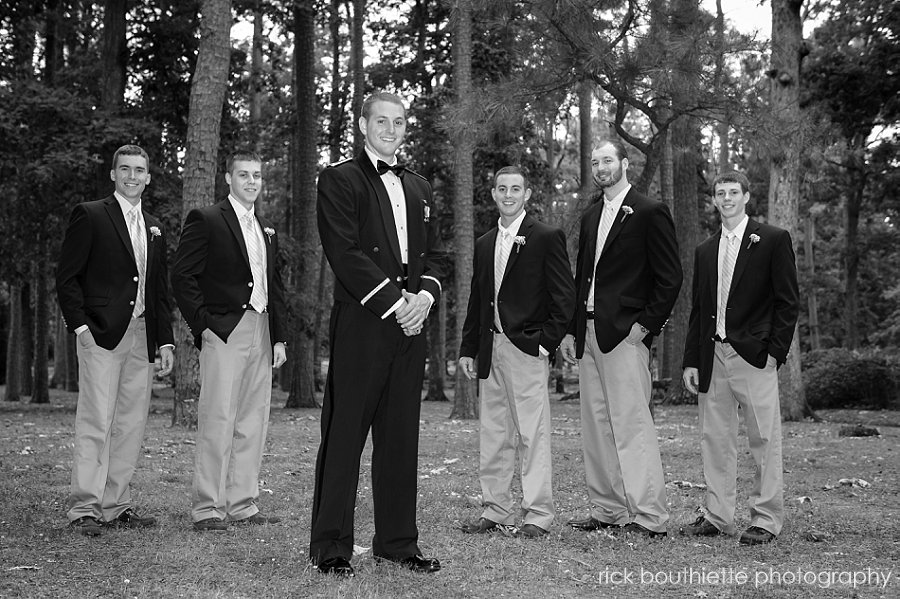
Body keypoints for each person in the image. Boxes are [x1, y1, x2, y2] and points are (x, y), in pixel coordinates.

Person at [311, 91, 445, 577]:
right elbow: (344, 254)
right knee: (345, 436)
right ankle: (330, 548)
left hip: (411, 324)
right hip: (365, 323)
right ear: (364, 124)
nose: (391, 129)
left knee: (400, 438)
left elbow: (431, 257)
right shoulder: (339, 179)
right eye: (382, 121)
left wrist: (423, 300)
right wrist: (396, 304)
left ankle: (396, 542)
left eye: (400, 122)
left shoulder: (421, 186)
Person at [561, 139, 682, 538]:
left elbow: (670, 278)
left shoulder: (650, 212)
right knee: (596, 426)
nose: (601, 167)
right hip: (589, 332)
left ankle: (650, 516)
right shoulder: (592, 216)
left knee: (631, 424)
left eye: (607, 160)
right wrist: (570, 328)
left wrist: (644, 328)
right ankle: (607, 509)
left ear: (625, 164)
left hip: (625, 335)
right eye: (595, 162)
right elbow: (583, 279)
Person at [56, 144, 175, 537]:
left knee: (130, 424)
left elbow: (159, 288)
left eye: (139, 170)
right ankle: (84, 508)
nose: (132, 176)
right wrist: (81, 329)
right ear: (113, 174)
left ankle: (115, 504)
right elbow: (67, 278)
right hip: (101, 336)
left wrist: (165, 342)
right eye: (125, 169)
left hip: (142, 337)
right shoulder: (90, 215)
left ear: (148, 177)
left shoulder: (154, 226)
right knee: (96, 421)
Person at [171, 151, 288, 532]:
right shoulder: (206, 219)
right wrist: (203, 325)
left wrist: (280, 338)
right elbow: (182, 276)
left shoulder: (266, 230)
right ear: (228, 178)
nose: (252, 182)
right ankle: (208, 507)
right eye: (244, 175)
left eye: (257, 175)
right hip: (224, 330)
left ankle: (243, 503)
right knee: (218, 418)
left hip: (263, 329)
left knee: (253, 420)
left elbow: (277, 288)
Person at [680, 171, 799, 545]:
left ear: (746, 196)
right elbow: (699, 309)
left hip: (754, 356)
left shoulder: (773, 240)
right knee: (714, 439)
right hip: (712, 355)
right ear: (714, 200)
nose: (727, 198)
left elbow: (787, 302)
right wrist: (691, 360)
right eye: (720, 193)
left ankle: (765, 518)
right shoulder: (705, 249)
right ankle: (718, 516)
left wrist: (774, 353)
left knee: (764, 438)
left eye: (734, 192)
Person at [458, 166, 574, 539]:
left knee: (531, 434)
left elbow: (564, 296)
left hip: (527, 349)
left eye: (515, 189)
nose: (508, 194)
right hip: (492, 349)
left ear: (527, 194)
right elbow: (478, 298)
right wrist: (469, 347)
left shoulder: (546, 236)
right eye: (501, 188)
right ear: (493, 193)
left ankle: (537, 514)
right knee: (494, 434)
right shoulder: (483, 242)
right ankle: (496, 509)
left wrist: (545, 342)